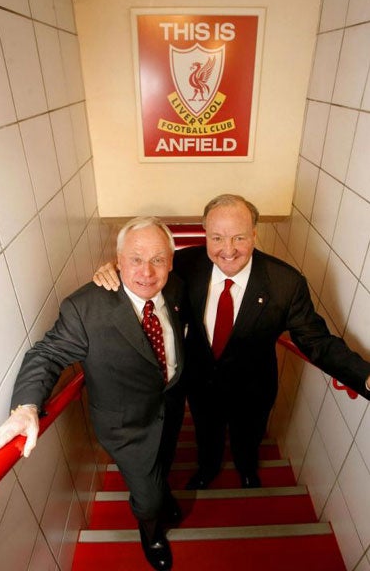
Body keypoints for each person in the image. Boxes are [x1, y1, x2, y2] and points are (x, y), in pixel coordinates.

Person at [93, 194, 370, 492]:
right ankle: (208, 469)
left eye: (239, 237)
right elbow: (146, 274)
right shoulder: (186, 265)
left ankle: (247, 469)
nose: (228, 250)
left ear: (254, 234)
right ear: (205, 235)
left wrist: (363, 375)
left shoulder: (285, 283)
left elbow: (317, 341)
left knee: (248, 437)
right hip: (201, 382)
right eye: (217, 238)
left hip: (253, 386)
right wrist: (112, 268)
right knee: (206, 434)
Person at [0, 217, 186, 571]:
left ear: (171, 261)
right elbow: (47, 354)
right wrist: (26, 405)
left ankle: (161, 494)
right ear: (118, 260)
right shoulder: (85, 308)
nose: (146, 272)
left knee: (164, 462)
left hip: (170, 407)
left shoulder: (176, 288)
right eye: (135, 259)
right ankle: (152, 530)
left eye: (158, 259)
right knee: (146, 494)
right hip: (125, 427)